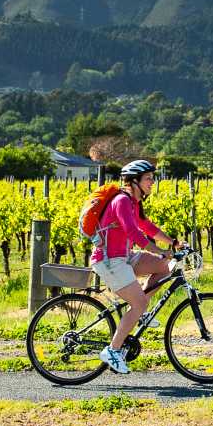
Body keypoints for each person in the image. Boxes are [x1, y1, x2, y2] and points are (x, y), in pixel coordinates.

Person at [90, 160, 178, 374]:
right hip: (109, 260)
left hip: (124, 256)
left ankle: (139, 312)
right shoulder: (121, 200)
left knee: (164, 267)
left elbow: (145, 226)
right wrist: (160, 250)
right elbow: (133, 232)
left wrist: (172, 243)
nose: (152, 182)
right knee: (139, 303)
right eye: (148, 178)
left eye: (152, 178)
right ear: (134, 181)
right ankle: (112, 350)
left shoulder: (133, 202)